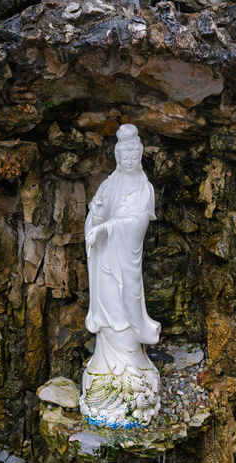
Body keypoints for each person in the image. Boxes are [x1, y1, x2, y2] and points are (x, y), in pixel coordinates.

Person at [80, 124, 161, 429]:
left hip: (126, 262)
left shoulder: (144, 188)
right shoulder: (108, 185)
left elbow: (138, 222)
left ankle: (133, 366)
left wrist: (107, 227)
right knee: (109, 308)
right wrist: (99, 219)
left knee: (126, 306)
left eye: (134, 155)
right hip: (104, 262)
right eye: (124, 156)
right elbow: (94, 219)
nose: (129, 161)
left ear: (139, 155)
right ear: (117, 156)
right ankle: (105, 368)